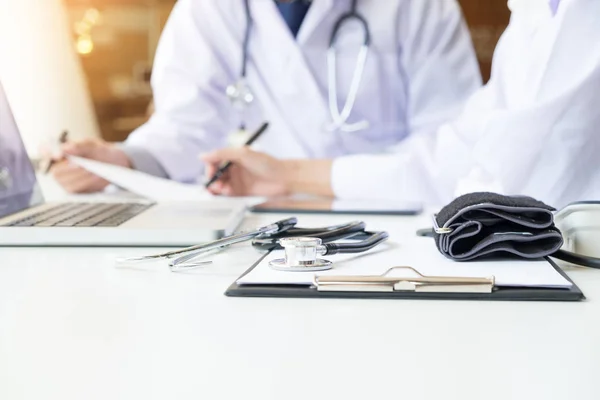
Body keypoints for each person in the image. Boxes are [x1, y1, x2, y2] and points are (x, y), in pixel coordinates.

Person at [49, 0, 482, 193]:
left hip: (394, 227)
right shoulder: (213, 8)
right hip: (263, 225)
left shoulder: (420, 6)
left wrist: (299, 174)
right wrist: (123, 163)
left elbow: (454, 148)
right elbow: (186, 125)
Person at [203, 0, 600, 208]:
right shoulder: (534, 11)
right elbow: (456, 156)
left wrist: (291, 176)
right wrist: (286, 174)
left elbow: (508, 190)